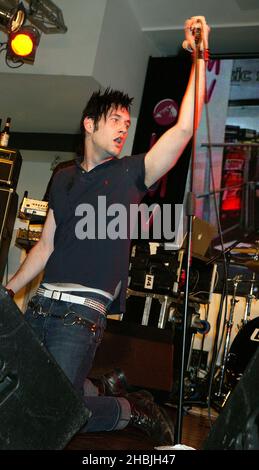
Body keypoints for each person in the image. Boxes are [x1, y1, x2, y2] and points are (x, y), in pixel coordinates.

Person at [5, 16, 210, 445]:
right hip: (41, 306)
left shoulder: (131, 173)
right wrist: (7, 292)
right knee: (20, 396)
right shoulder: (61, 176)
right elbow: (44, 246)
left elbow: (185, 128)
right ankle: (101, 389)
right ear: (89, 124)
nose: (123, 127)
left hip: (80, 317)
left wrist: (199, 57)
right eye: (115, 119)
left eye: (127, 121)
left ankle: (128, 409)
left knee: (53, 410)